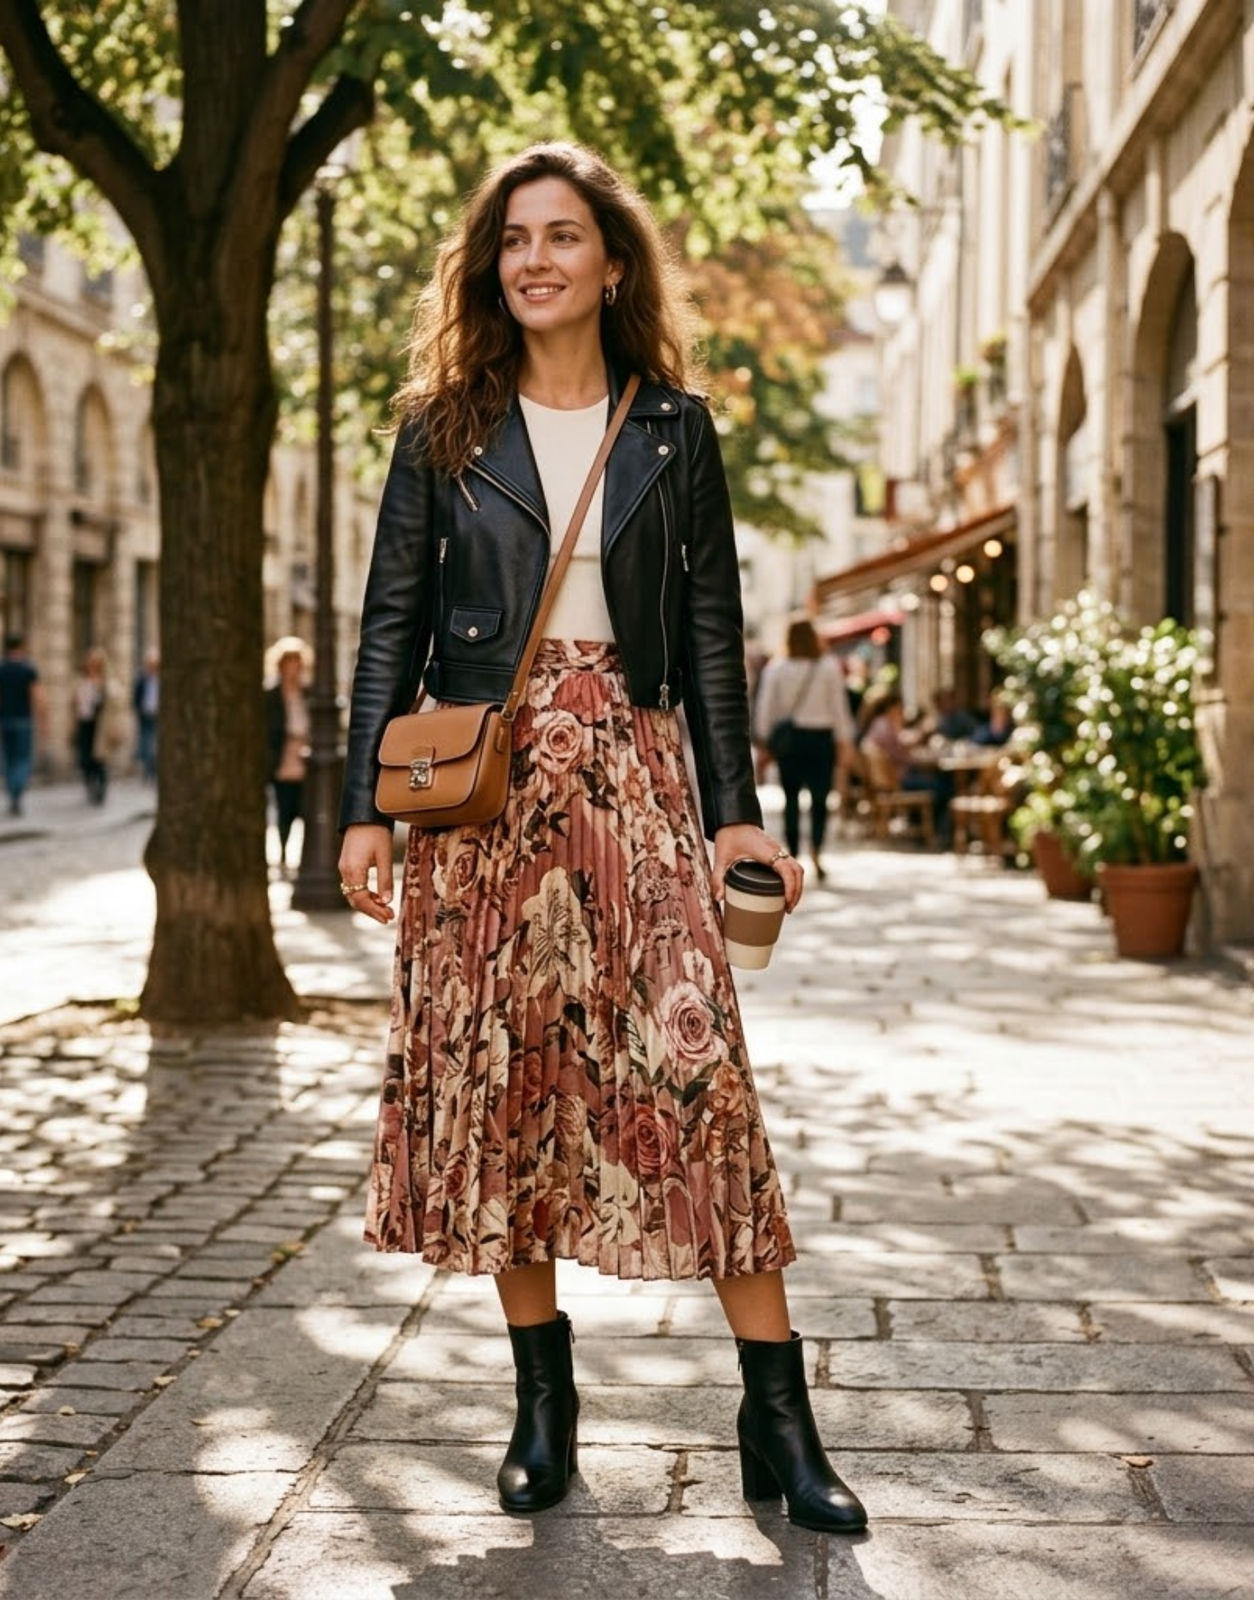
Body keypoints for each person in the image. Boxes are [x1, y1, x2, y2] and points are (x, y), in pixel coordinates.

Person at [337, 142, 865, 1535]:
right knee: (508, 1087)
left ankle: (779, 1419)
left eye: (563, 236)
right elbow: (389, 625)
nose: (536, 260)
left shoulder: (673, 431)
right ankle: (541, 1408)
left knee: (700, 1081)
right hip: (483, 796)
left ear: (611, 263)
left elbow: (710, 638)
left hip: (632, 775)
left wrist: (737, 815)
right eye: (514, 239)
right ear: (490, 264)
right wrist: (359, 812)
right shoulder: (442, 428)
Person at [753, 616, 854, 882]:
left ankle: (793, 853)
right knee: (820, 800)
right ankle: (817, 849)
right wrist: (845, 742)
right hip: (821, 740)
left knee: (791, 799)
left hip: (791, 742)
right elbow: (839, 709)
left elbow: (765, 708)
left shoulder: (777, 667)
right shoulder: (828, 667)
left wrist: (764, 742)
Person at [860, 689, 953, 843]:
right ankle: (941, 833)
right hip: (896, 781)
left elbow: (900, 750)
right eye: (900, 707)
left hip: (894, 778)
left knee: (935, 781)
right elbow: (902, 757)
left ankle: (924, 826)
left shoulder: (880, 724)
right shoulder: (885, 727)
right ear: (892, 708)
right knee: (945, 786)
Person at [264, 637, 312, 880]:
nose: (293, 669)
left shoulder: (308, 693)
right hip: (282, 758)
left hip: (306, 758)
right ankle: (281, 856)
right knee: (284, 811)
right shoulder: (270, 695)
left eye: (297, 663)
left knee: (305, 809)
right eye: (289, 663)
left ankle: (304, 858)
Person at [0, 634, 48, 817]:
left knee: (7, 759)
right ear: (21, 647)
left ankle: (12, 793)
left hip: (3, 720)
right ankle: (17, 791)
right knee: (23, 759)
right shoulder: (28, 669)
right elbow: (38, 697)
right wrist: (44, 721)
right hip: (23, 720)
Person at [72, 645, 111, 804]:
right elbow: (74, 702)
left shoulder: (106, 682)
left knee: (100, 759)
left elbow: (114, 700)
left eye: (96, 663)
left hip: (100, 725)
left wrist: (100, 686)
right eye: (90, 662)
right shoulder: (80, 681)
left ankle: (101, 789)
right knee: (85, 758)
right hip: (83, 722)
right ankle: (89, 786)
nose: (92, 665)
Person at [132, 648, 161, 783]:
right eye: (150, 663)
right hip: (145, 714)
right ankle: (148, 769)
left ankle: (153, 768)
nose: (152, 666)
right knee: (145, 742)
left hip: (157, 715)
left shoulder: (160, 678)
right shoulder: (142, 678)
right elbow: (136, 697)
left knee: (154, 742)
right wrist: (138, 709)